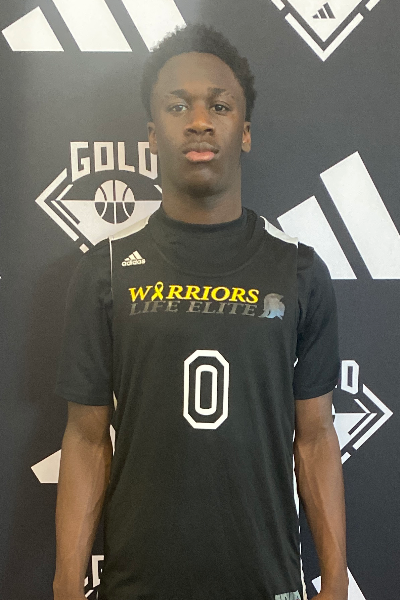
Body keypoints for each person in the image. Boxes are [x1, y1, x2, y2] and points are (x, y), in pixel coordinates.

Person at [53, 24, 348, 600]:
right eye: (177, 106)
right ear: (152, 135)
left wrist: (335, 579)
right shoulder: (106, 270)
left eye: (219, 105)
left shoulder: (298, 271)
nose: (199, 121)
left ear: (245, 132)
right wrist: (67, 584)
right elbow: (86, 440)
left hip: (266, 584)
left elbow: (315, 438)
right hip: (138, 586)